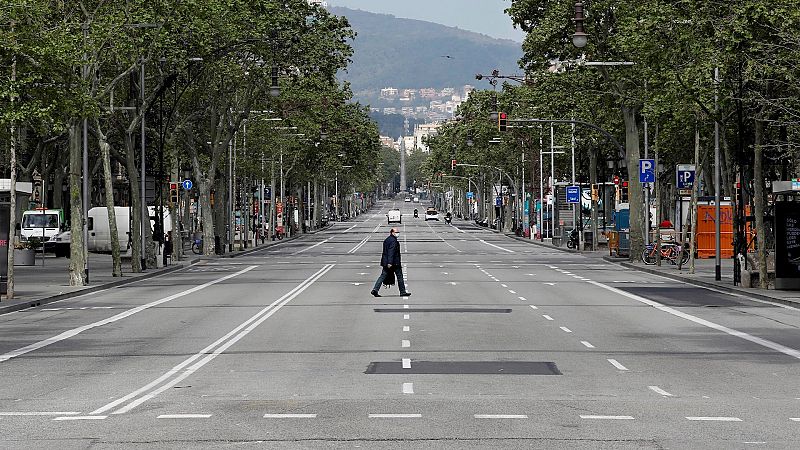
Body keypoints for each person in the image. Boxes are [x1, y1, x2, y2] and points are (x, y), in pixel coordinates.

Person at [371, 228, 411, 297]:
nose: (398, 233)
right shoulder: (393, 241)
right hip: (394, 262)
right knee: (400, 277)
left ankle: (375, 289)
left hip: (386, 262)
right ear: (392, 232)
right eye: (396, 232)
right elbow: (391, 252)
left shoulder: (387, 239)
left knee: (382, 276)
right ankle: (402, 291)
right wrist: (390, 262)